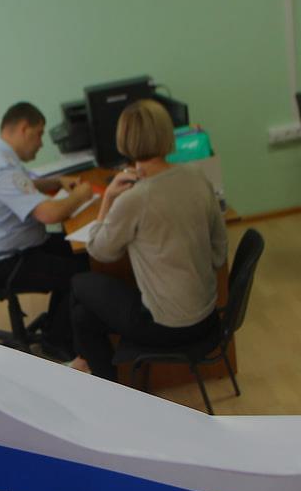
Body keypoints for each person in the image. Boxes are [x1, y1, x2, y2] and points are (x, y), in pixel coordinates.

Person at [68, 99, 227, 381]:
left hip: (169, 327)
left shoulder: (134, 199)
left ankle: (103, 386)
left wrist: (108, 198)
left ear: (124, 140)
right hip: (208, 316)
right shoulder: (197, 176)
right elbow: (218, 251)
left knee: (78, 283)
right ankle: (95, 373)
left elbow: (99, 250)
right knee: (83, 317)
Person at [0, 102, 94, 359]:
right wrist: (81, 195)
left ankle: (57, 324)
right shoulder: (1, 170)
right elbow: (49, 214)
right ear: (24, 129)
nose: (41, 143)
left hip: (15, 247)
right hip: (6, 262)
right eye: (39, 134)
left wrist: (57, 182)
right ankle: (56, 341)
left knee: (84, 253)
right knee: (80, 273)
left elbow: (28, 183)